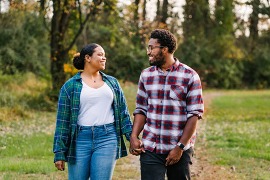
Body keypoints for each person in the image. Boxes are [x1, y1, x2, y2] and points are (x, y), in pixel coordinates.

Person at [129, 29, 204, 180]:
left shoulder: (190, 76)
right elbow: (141, 109)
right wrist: (134, 136)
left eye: (152, 47)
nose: (148, 52)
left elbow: (194, 115)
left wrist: (180, 147)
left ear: (164, 49)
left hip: (179, 148)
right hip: (151, 148)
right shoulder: (146, 75)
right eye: (148, 47)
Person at [53, 43, 133, 180]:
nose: (104, 58)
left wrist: (132, 137)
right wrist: (59, 152)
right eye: (100, 55)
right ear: (88, 58)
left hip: (107, 138)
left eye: (105, 55)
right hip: (80, 140)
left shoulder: (112, 83)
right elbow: (62, 122)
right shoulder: (70, 86)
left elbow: (123, 113)